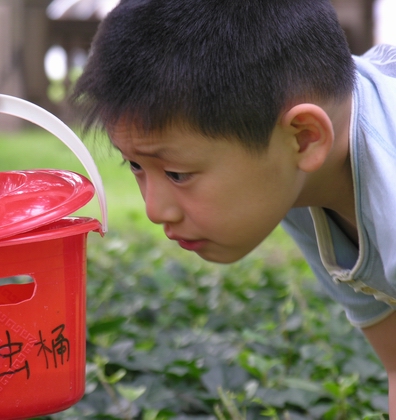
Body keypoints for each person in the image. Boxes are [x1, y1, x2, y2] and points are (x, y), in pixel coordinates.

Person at [70, 0, 396, 414]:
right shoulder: (290, 171)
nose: (155, 210)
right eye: (135, 164)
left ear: (305, 138)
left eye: (177, 174)